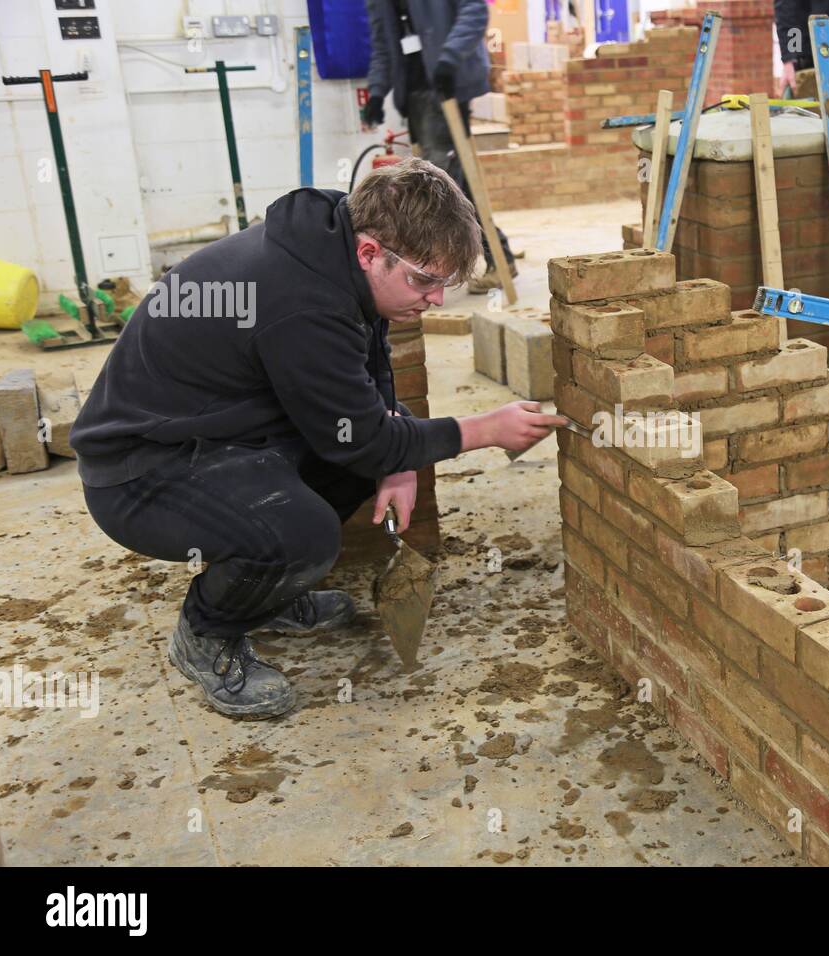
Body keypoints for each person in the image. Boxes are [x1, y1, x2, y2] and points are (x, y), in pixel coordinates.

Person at [70, 160, 565, 720]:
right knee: (302, 533)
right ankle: (206, 635)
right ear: (371, 253)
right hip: (140, 472)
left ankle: (266, 593)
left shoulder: (335, 242)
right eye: (425, 281)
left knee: (376, 435)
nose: (437, 301)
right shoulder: (301, 301)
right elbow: (367, 437)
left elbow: (371, 375)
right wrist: (481, 430)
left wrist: (398, 462)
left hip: (215, 434)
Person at [362, 0, 517, 294]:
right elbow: (383, 43)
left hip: (446, 85)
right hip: (415, 92)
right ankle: (497, 255)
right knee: (453, 182)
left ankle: (442, 269)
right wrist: (376, 91)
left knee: (437, 188)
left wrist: (449, 58)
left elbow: (474, 11)